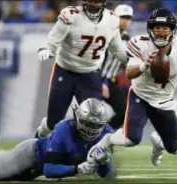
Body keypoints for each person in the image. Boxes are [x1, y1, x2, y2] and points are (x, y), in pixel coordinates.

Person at [89, 9, 177, 167]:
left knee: (174, 148)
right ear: (150, 29)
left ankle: (158, 144)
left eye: (165, 28)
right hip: (140, 96)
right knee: (130, 139)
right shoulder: (140, 43)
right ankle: (106, 142)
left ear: (172, 30)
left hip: (164, 101)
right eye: (157, 28)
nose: (160, 32)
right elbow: (130, 73)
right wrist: (145, 65)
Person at [35, 0, 128, 138]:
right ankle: (38, 139)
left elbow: (117, 49)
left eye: (97, 1)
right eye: (91, 0)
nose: (94, 4)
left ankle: (88, 155)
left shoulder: (112, 19)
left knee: (93, 121)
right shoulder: (71, 15)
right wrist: (46, 48)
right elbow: (53, 40)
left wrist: (133, 61)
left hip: (90, 74)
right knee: (53, 122)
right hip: (65, 71)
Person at [0, 98, 113, 181]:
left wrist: (104, 161)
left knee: (11, 178)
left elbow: (103, 174)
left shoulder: (106, 134)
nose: (91, 130)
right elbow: (49, 169)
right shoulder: (64, 129)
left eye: (96, 125)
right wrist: (77, 169)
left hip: (38, 169)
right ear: (78, 118)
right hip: (30, 155)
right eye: (87, 124)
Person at [101, 4, 133, 130]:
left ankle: (103, 135)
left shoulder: (127, 39)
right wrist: (100, 81)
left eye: (128, 18)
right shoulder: (104, 35)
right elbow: (92, 59)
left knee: (125, 110)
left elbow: (126, 62)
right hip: (94, 79)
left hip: (111, 81)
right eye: (123, 17)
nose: (126, 21)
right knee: (90, 112)